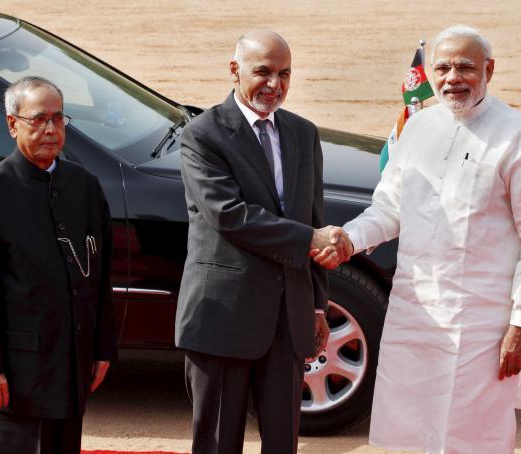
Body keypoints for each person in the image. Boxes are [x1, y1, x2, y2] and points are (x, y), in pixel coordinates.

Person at [313, 25, 521, 453]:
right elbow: (389, 209)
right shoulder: (418, 128)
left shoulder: (518, 137)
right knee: (415, 430)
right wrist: (349, 239)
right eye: (442, 67)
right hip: (415, 312)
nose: (453, 77)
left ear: (489, 70)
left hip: (483, 321)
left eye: (466, 66)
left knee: (472, 434)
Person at [175, 30, 349, 454]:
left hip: (285, 321)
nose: (275, 84)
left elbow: (314, 216)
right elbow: (229, 216)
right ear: (235, 71)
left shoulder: (303, 134)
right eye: (263, 72)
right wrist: (310, 237)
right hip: (221, 319)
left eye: (285, 73)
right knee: (218, 443)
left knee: (282, 442)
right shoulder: (202, 135)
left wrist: (315, 304)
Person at [0, 76, 117, 454]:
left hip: (72, 362)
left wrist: (102, 348)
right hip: (15, 374)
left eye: (58, 120)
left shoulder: (84, 186)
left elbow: (100, 273)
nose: (50, 129)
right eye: (38, 119)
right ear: (13, 125)